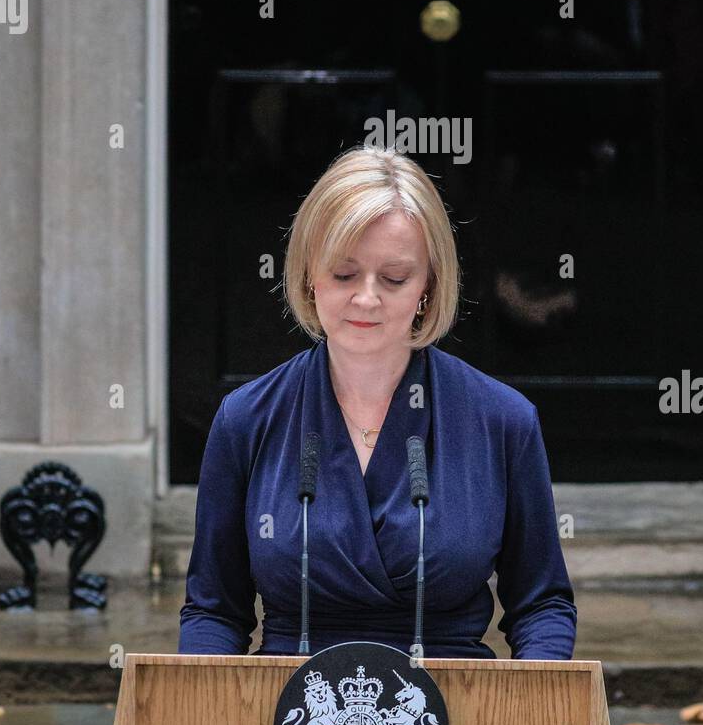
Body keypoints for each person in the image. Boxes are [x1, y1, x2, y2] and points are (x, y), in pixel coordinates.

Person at [178, 145, 577, 660]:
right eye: (344, 274)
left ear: (429, 285)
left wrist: (529, 720)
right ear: (307, 273)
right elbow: (214, 611)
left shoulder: (502, 421)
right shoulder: (245, 420)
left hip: (456, 716)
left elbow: (542, 605)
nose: (366, 299)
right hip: (286, 720)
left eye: (394, 279)